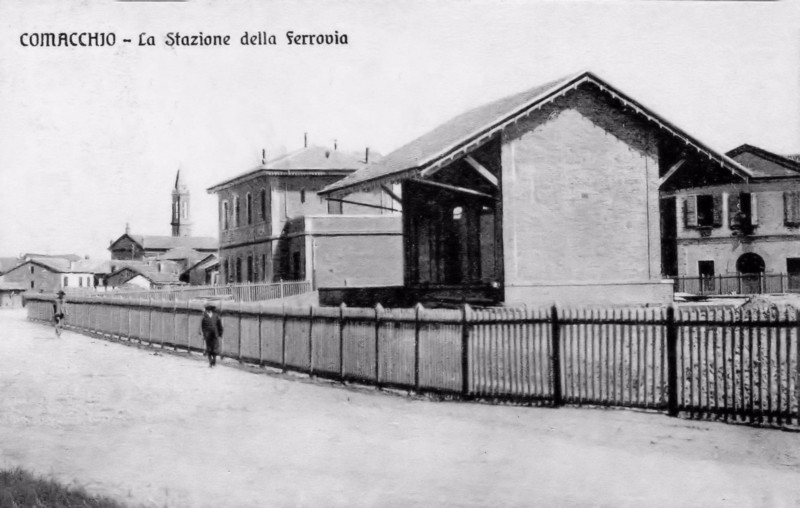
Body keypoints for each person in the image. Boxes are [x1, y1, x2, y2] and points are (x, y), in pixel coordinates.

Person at [200, 303, 223, 367]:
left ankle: (214, 360)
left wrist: (220, 332)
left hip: (215, 334)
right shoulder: (204, 317)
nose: (209, 310)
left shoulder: (216, 316)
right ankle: (210, 361)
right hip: (208, 335)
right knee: (209, 348)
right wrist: (204, 333)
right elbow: (203, 326)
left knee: (215, 347)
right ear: (207, 310)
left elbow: (219, 324)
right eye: (208, 309)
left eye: (210, 309)